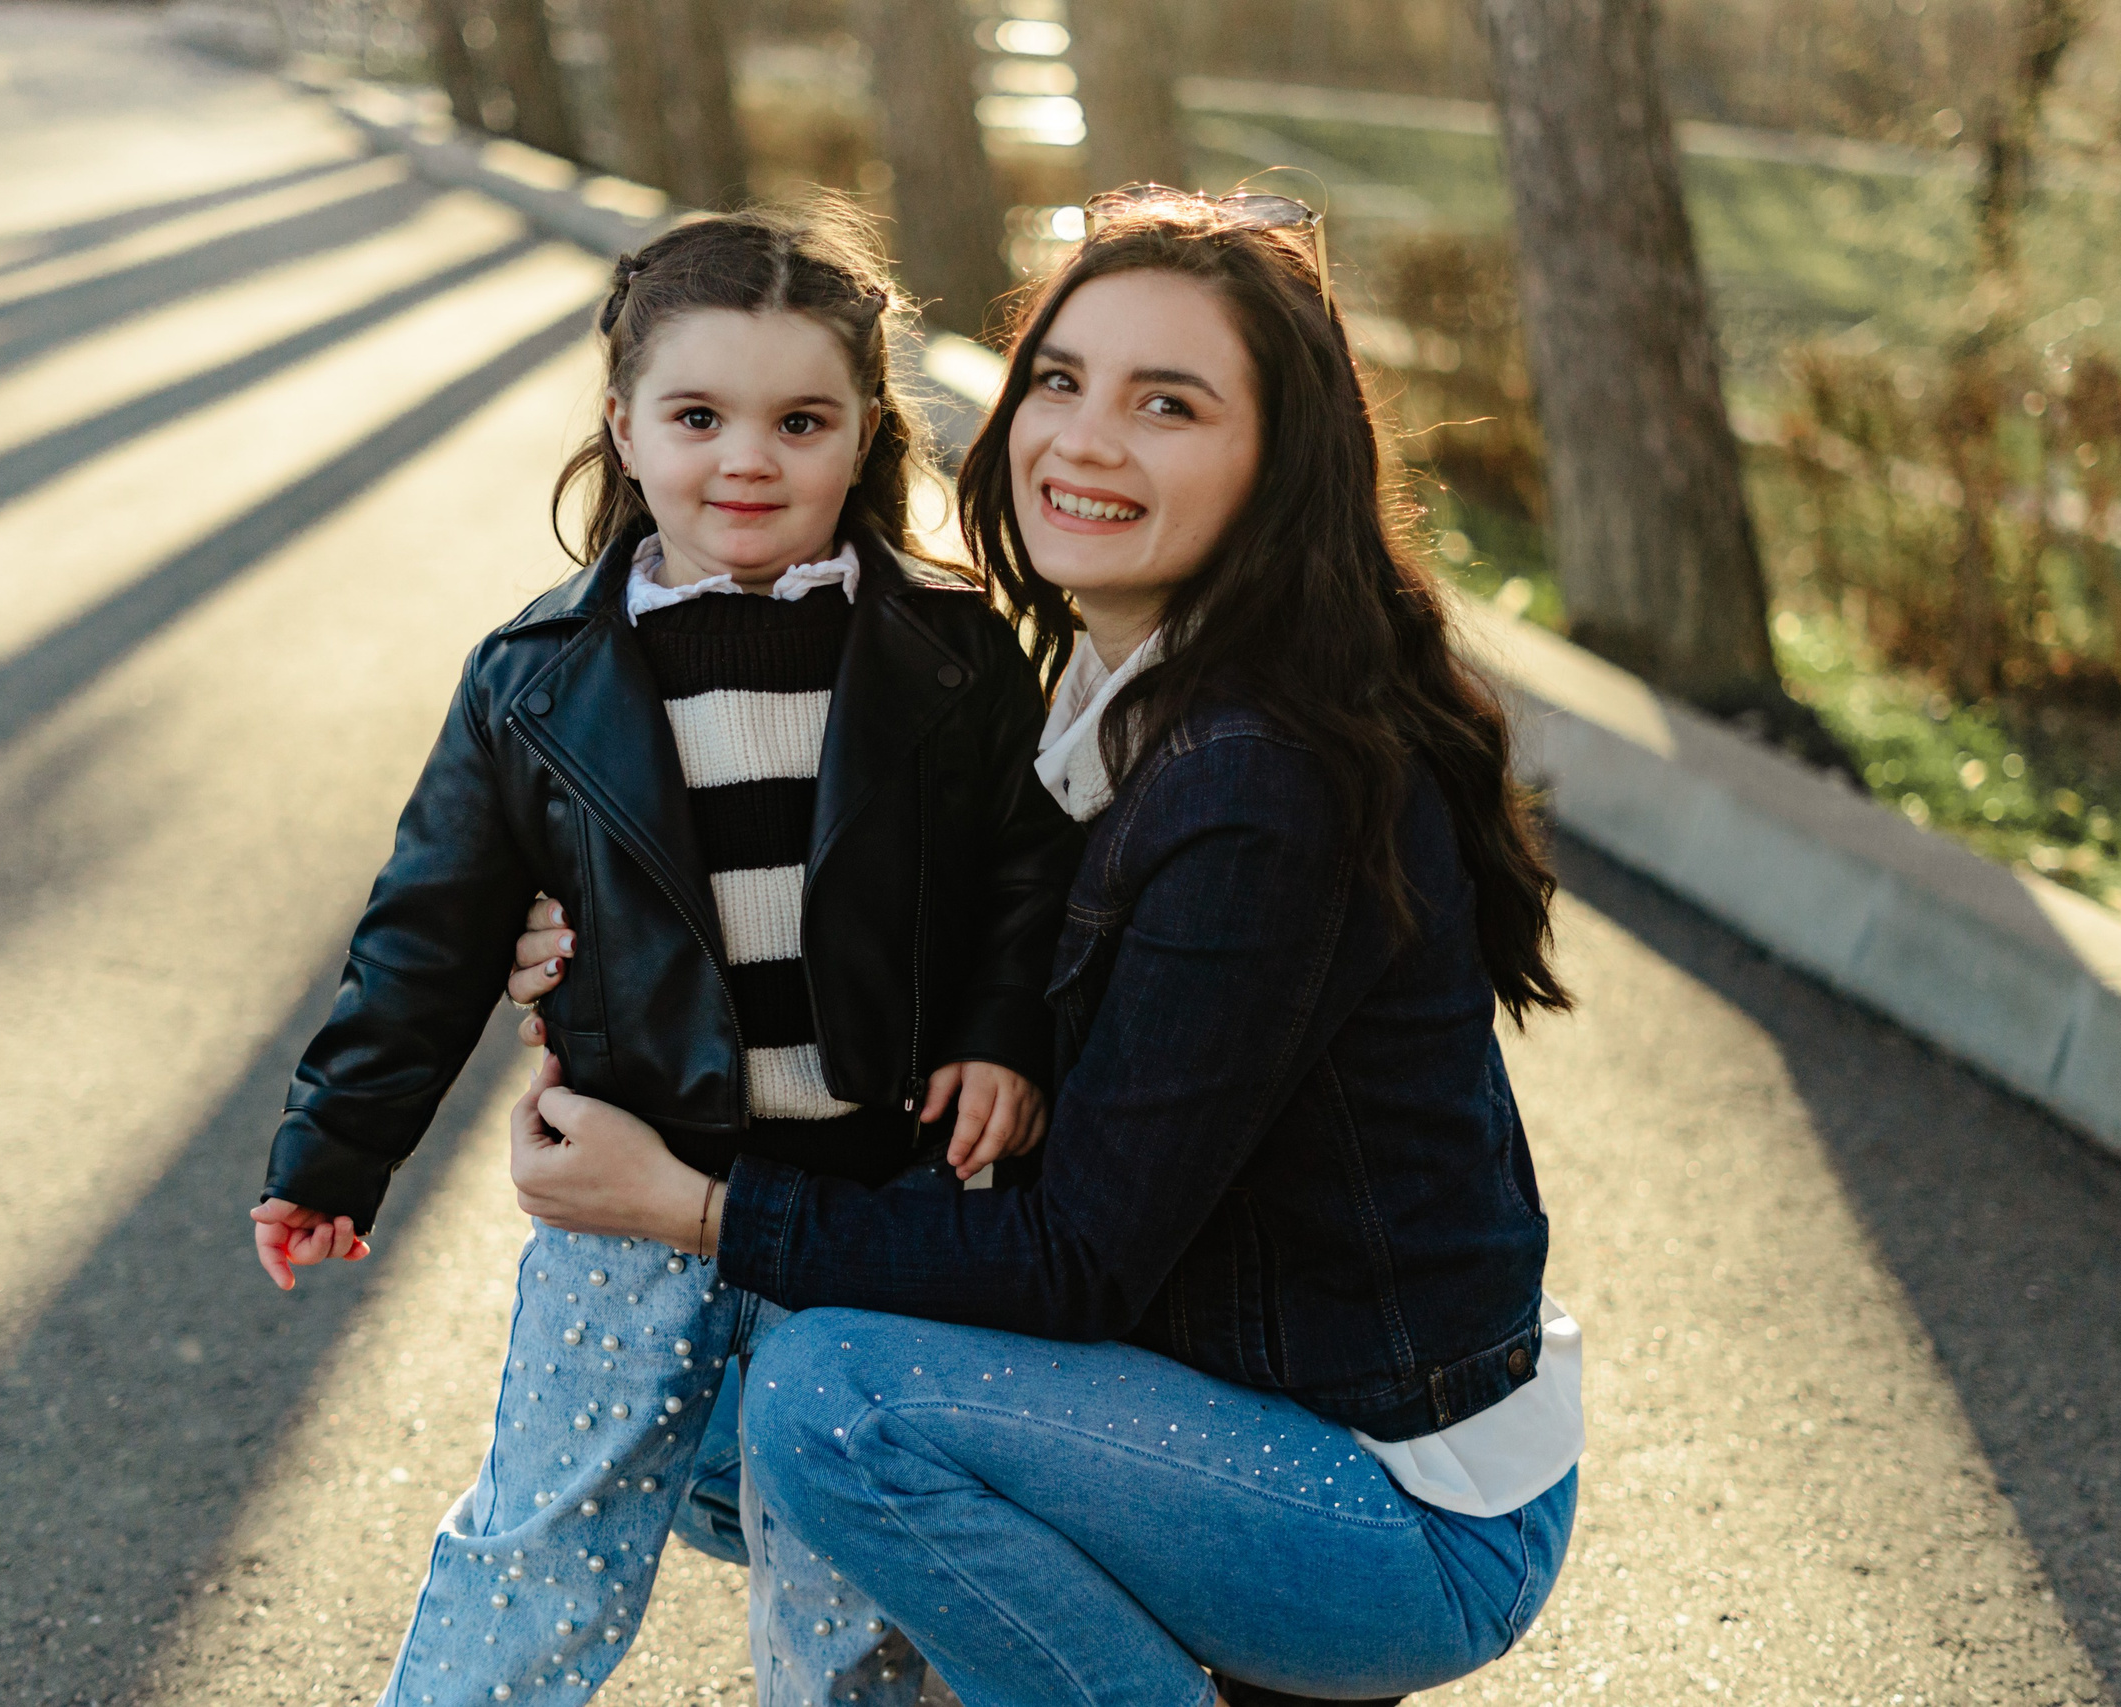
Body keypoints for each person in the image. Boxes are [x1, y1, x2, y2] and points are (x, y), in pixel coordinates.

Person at [501, 187, 1585, 1707]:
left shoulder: (1258, 784)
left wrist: (688, 1206)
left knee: (829, 1404)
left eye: (1168, 404)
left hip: (1387, 1508)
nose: (1083, 440)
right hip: (1226, 1405)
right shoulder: (1102, 693)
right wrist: (621, 957)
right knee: (699, 1398)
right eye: (1061, 381)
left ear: (1282, 460)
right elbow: (921, 977)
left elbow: (1075, 1258)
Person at [246, 201, 1079, 1707]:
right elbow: (428, 930)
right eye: (698, 416)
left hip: (873, 1198)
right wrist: (336, 1150)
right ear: (625, 429)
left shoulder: (949, 656)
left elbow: (1027, 871)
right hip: (627, 1192)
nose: (747, 459)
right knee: (545, 1534)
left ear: (865, 435)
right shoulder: (537, 680)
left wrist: (1000, 1032)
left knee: (844, 1585)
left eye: (799, 421)